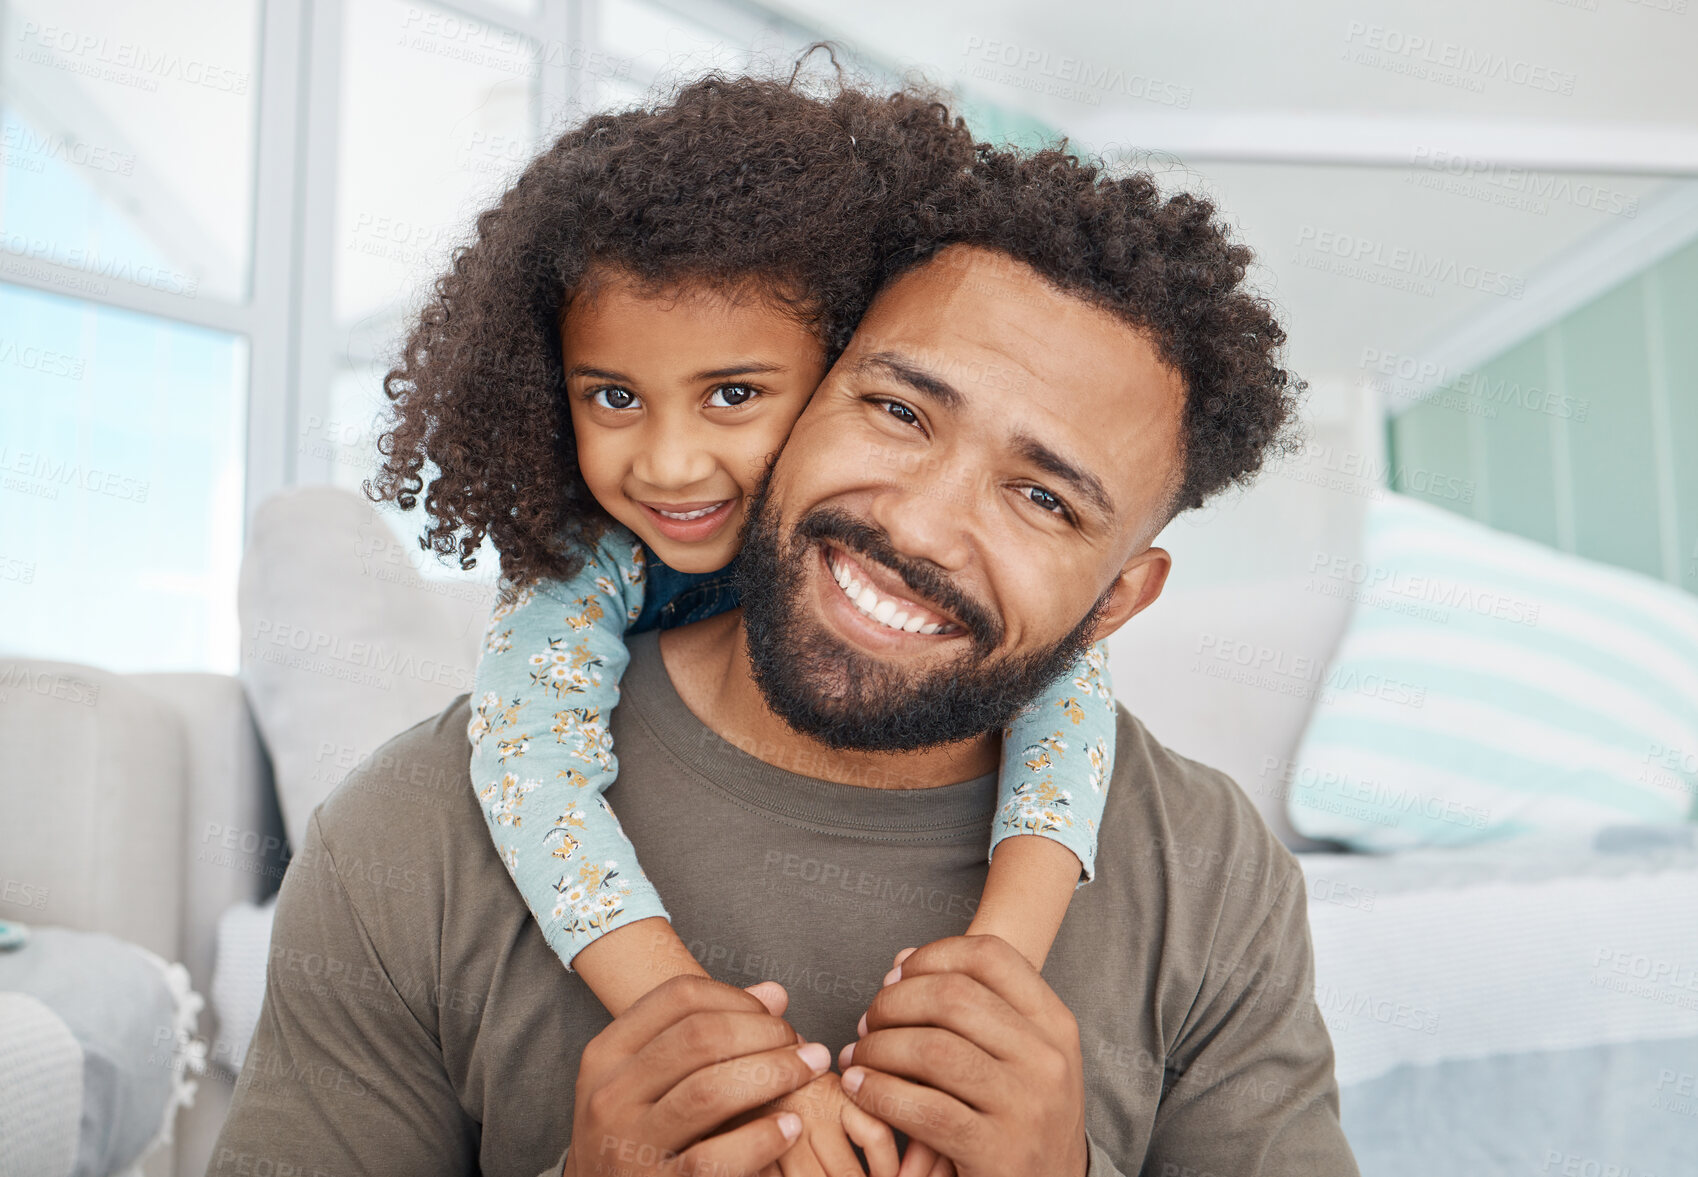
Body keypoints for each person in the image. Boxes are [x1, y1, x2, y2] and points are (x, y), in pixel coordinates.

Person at [211, 80, 1359, 1177]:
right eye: (900, 410)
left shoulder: (1217, 882)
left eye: (1043, 497)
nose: (922, 525)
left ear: (1119, 598)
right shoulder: (405, 839)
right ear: (811, 386)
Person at [371, 69, 1114, 1176]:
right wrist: (707, 1046)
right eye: (613, 396)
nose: (669, 465)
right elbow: (530, 771)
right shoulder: (581, 567)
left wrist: (982, 998)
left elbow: (1069, 690)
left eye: (733, 395)